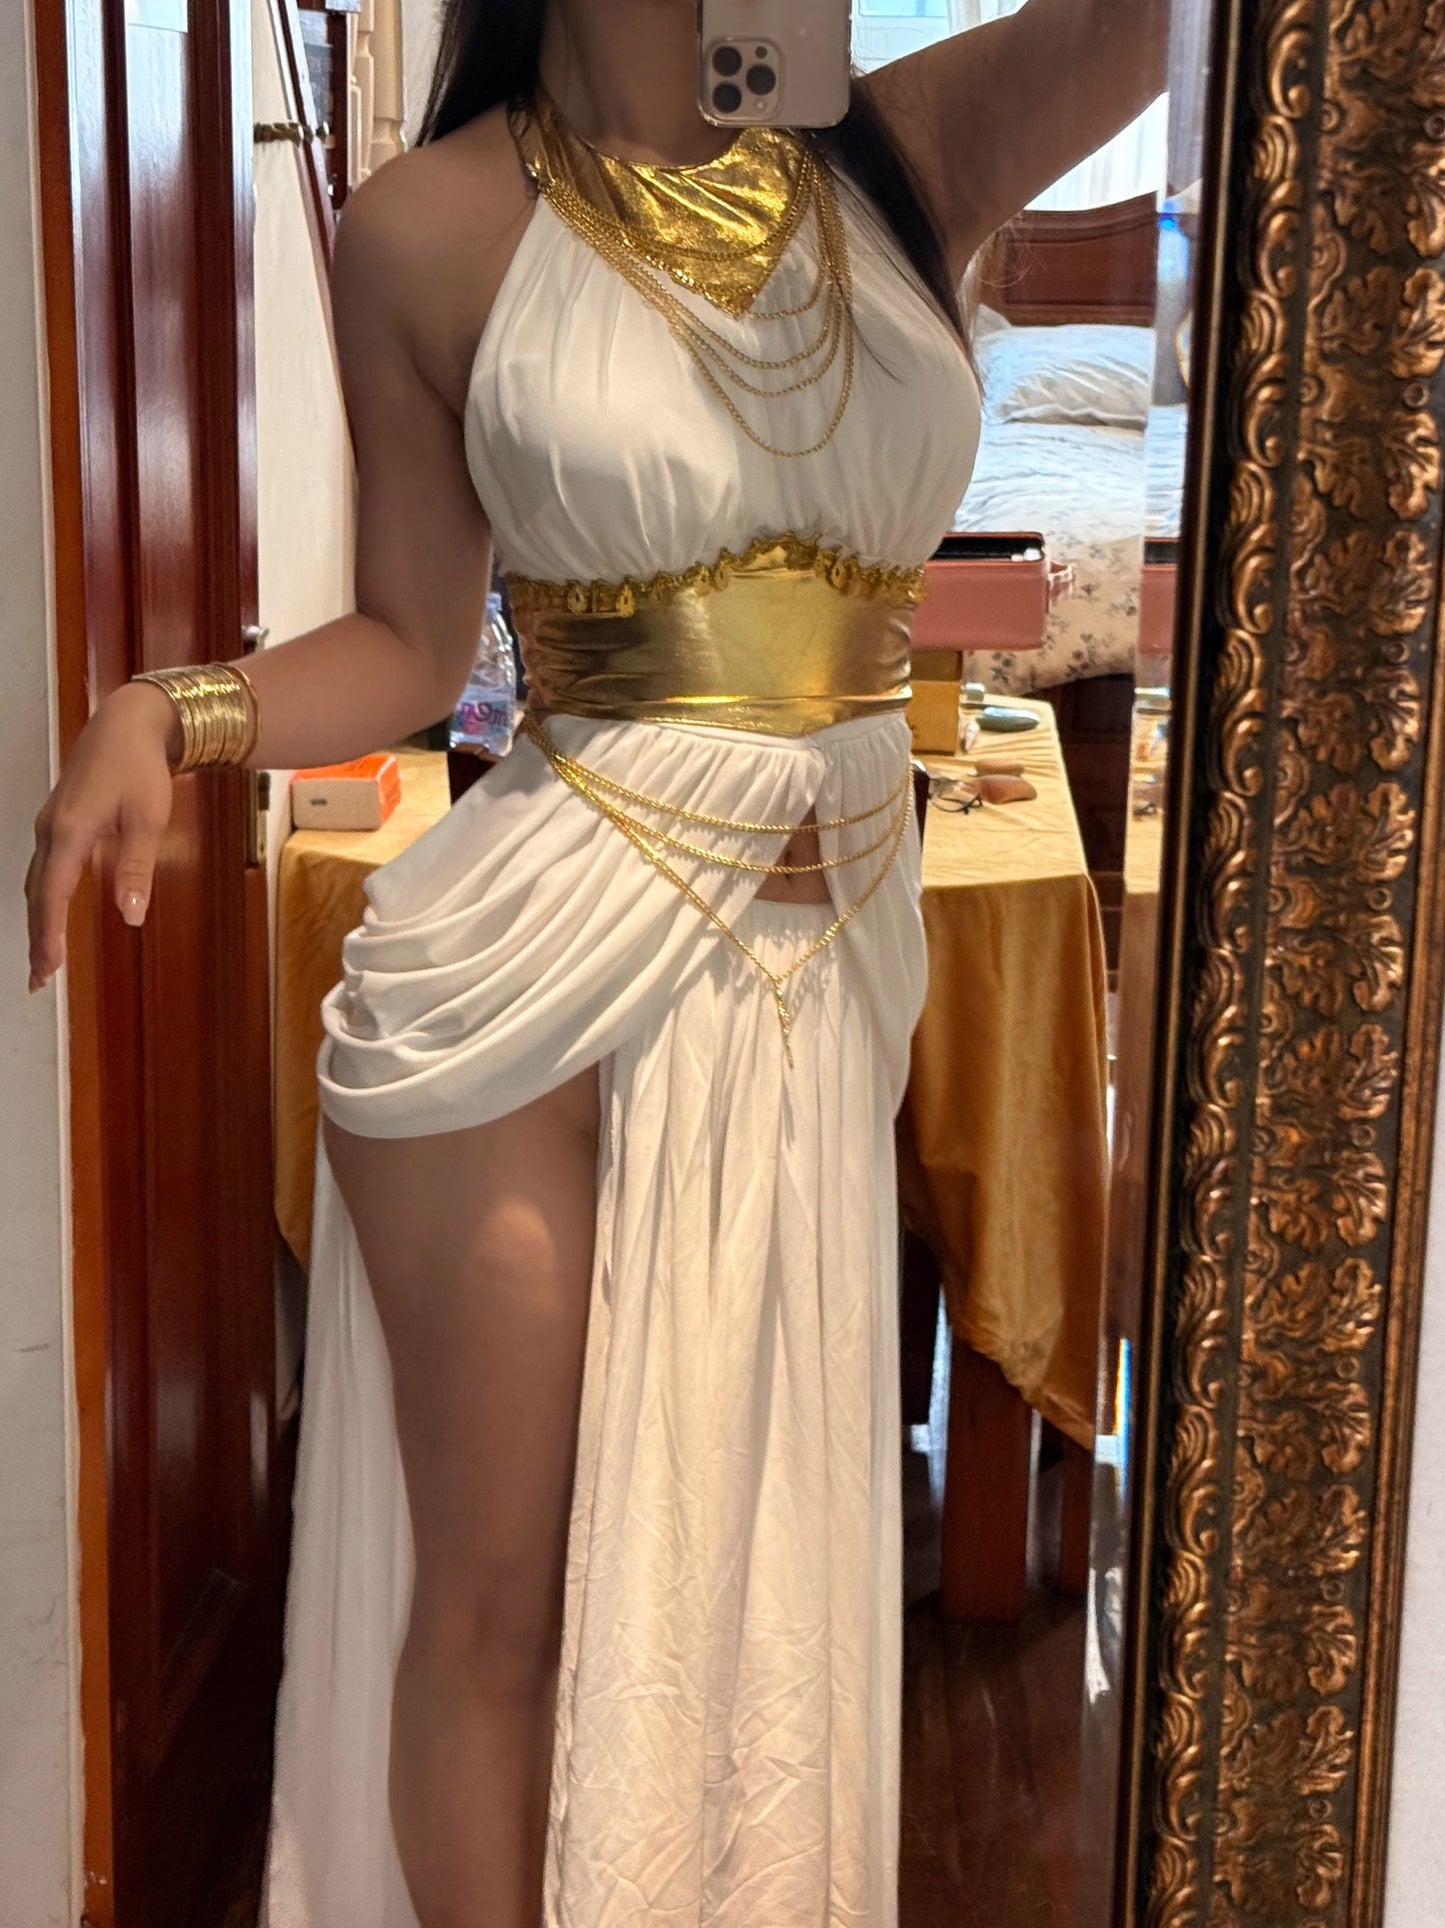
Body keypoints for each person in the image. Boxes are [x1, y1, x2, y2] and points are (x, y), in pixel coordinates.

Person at [24, 2, 1166, 1922]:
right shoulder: (427, 226)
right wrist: (173, 706)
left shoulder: (905, 148)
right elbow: (411, 642)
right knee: (504, 1604)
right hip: (532, 981)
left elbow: (1154, 33)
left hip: (818, 983)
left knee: (751, 1587)